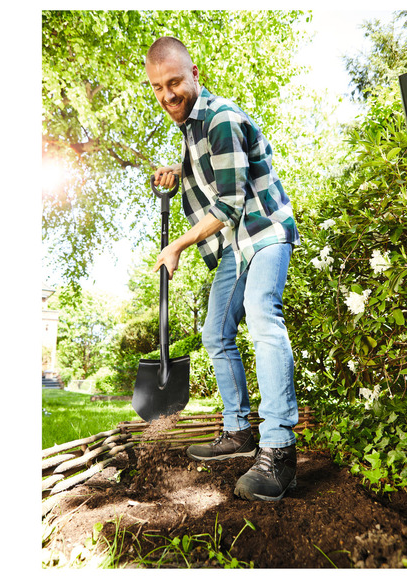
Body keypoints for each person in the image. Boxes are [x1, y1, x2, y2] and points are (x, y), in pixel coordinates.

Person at [144, 36, 300, 502]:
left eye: (175, 82)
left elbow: (230, 203)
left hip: (265, 230)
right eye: (157, 87)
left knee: (261, 315)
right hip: (236, 244)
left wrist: (178, 244)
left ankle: (279, 447)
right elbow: (218, 173)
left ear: (196, 75)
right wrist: (179, 169)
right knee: (216, 332)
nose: (168, 95)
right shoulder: (194, 129)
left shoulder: (221, 117)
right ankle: (237, 431)